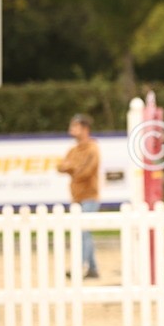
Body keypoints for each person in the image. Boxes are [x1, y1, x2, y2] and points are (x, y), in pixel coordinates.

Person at [58, 113, 101, 279]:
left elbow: (87, 171)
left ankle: (80, 265)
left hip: (90, 195)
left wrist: (72, 168)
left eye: (75, 127)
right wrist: (75, 168)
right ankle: (93, 268)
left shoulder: (92, 148)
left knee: (83, 231)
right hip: (76, 196)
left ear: (85, 129)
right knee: (84, 232)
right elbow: (61, 166)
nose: (71, 130)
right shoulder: (73, 150)